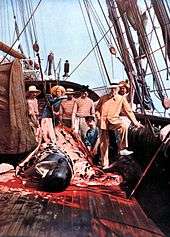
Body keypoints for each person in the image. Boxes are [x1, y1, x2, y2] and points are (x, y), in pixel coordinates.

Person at [96, 84, 143, 169]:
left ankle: (122, 148)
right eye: (111, 89)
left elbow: (128, 111)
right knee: (104, 143)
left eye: (115, 89)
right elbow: (97, 109)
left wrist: (135, 122)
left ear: (118, 89)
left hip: (114, 120)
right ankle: (104, 164)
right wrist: (98, 117)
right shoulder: (103, 98)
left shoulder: (121, 99)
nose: (113, 90)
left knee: (123, 126)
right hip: (103, 122)